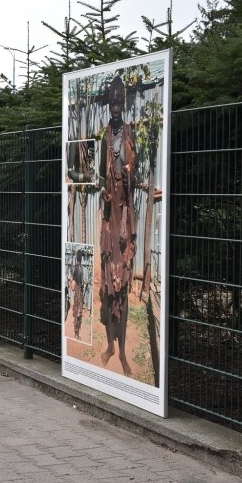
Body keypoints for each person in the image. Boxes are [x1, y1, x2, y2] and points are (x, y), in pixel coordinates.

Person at [98, 75, 137, 376]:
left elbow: (133, 172)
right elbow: (100, 176)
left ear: (123, 104)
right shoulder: (103, 138)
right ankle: (111, 346)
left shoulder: (129, 134)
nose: (115, 106)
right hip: (109, 221)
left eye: (119, 102)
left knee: (122, 288)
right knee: (109, 287)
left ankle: (123, 352)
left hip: (124, 220)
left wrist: (126, 170)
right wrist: (104, 186)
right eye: (111, 101)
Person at [70, 250, 85, 340]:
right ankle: (77, 334)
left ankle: (75, 332)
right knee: (79, 313)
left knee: (76, 310)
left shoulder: (74, 267)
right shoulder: (81, 268)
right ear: (81, 258)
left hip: (76, 291)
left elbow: (73, 279)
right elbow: (80, 281)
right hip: (80, 290)